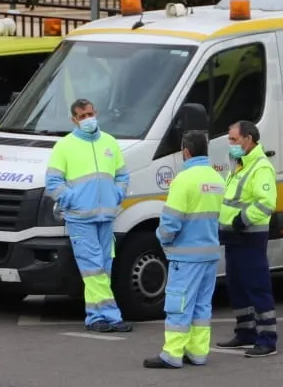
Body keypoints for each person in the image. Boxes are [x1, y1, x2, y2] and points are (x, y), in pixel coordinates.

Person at [45, 99, 132, 333]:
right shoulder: (65, 146)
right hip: (80, 218)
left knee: (102, 268)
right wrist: (71, 200)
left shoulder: (110, 143)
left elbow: (122, 176)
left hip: (106, 217)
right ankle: (113, 316)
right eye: (82, 116)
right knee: (93, 268)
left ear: (97, 112)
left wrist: (116, 194)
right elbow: (52, 183)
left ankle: (95, 318)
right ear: (74, 119)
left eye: (90, 114)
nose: (88, 119)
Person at [144, 130, 225, 369]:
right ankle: (198, 352)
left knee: (178, 304)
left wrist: (162, 238)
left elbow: (171, 222)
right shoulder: (217, 180)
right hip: (210, 254)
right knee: (202, 306)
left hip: (186, 257)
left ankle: (173, 353)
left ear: (185, 151)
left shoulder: (184, 180)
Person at [217, 119, 278, 357]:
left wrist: (240, 220)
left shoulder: (260, 167)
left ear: (248, 139)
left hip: (249, 236)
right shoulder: (238, 164)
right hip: (234, 237)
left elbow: (266, 203)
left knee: (257, 287)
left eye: (233, 139)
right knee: (237, 285)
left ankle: (267, 338)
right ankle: (245, 333)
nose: (230, 144)